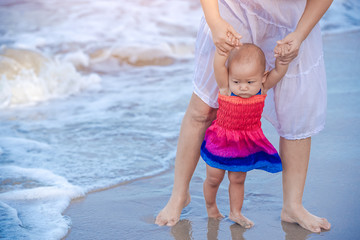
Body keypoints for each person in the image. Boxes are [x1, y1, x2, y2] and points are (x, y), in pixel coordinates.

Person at [156, 0, 333, 233]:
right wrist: (215, 21)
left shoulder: (264, 82)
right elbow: (220, 69)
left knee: (296, 113)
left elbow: (275, 77)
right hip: (237, 6)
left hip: (293, 18)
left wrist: (299, 35)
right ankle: (179, 195)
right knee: (203, 108)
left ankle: (293, 205)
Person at [202, 42, 288, 228]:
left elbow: (278, 73)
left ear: (262, 77)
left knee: (238, 179)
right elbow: (218, 66)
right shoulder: (225, 89)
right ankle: (211, 207)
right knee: (214, 177)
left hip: (244, 144)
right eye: (237, 81)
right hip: (221, 141)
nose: (242, 87)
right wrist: (221, 52)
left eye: (249, 82)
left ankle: (236, 212)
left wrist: (282, 62)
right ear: (229, 77)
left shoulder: (262, 90)